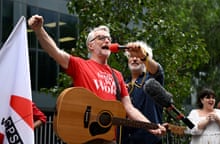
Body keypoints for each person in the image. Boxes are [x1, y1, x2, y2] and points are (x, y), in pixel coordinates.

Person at [28, 15, 166, 144]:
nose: (107, 40)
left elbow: (129, 108)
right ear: (91, 45)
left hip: (107, 139)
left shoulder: (117, 75)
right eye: (101, 38)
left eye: (109, 39)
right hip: (84, 137)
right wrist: (39, 30)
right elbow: (55, 52)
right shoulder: (80, 65)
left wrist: (150, 126)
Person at [120, 41, 164, 144]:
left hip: (149, 140)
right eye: (131, 56)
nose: (134, 59)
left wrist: (143, 56)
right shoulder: (123, 84)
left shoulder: (152, 80)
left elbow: (158, 71)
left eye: (138, 56)